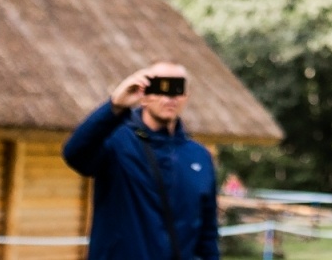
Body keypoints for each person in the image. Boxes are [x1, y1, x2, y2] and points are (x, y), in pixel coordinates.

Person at [63, 62, 218, 260]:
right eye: (160, 87)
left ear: (186, 96)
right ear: (144, 94)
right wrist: (114, 106)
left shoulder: (199, 157)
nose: (169, 96)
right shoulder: (116, 142)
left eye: (176, 88)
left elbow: (208, 234)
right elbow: (75, 154)